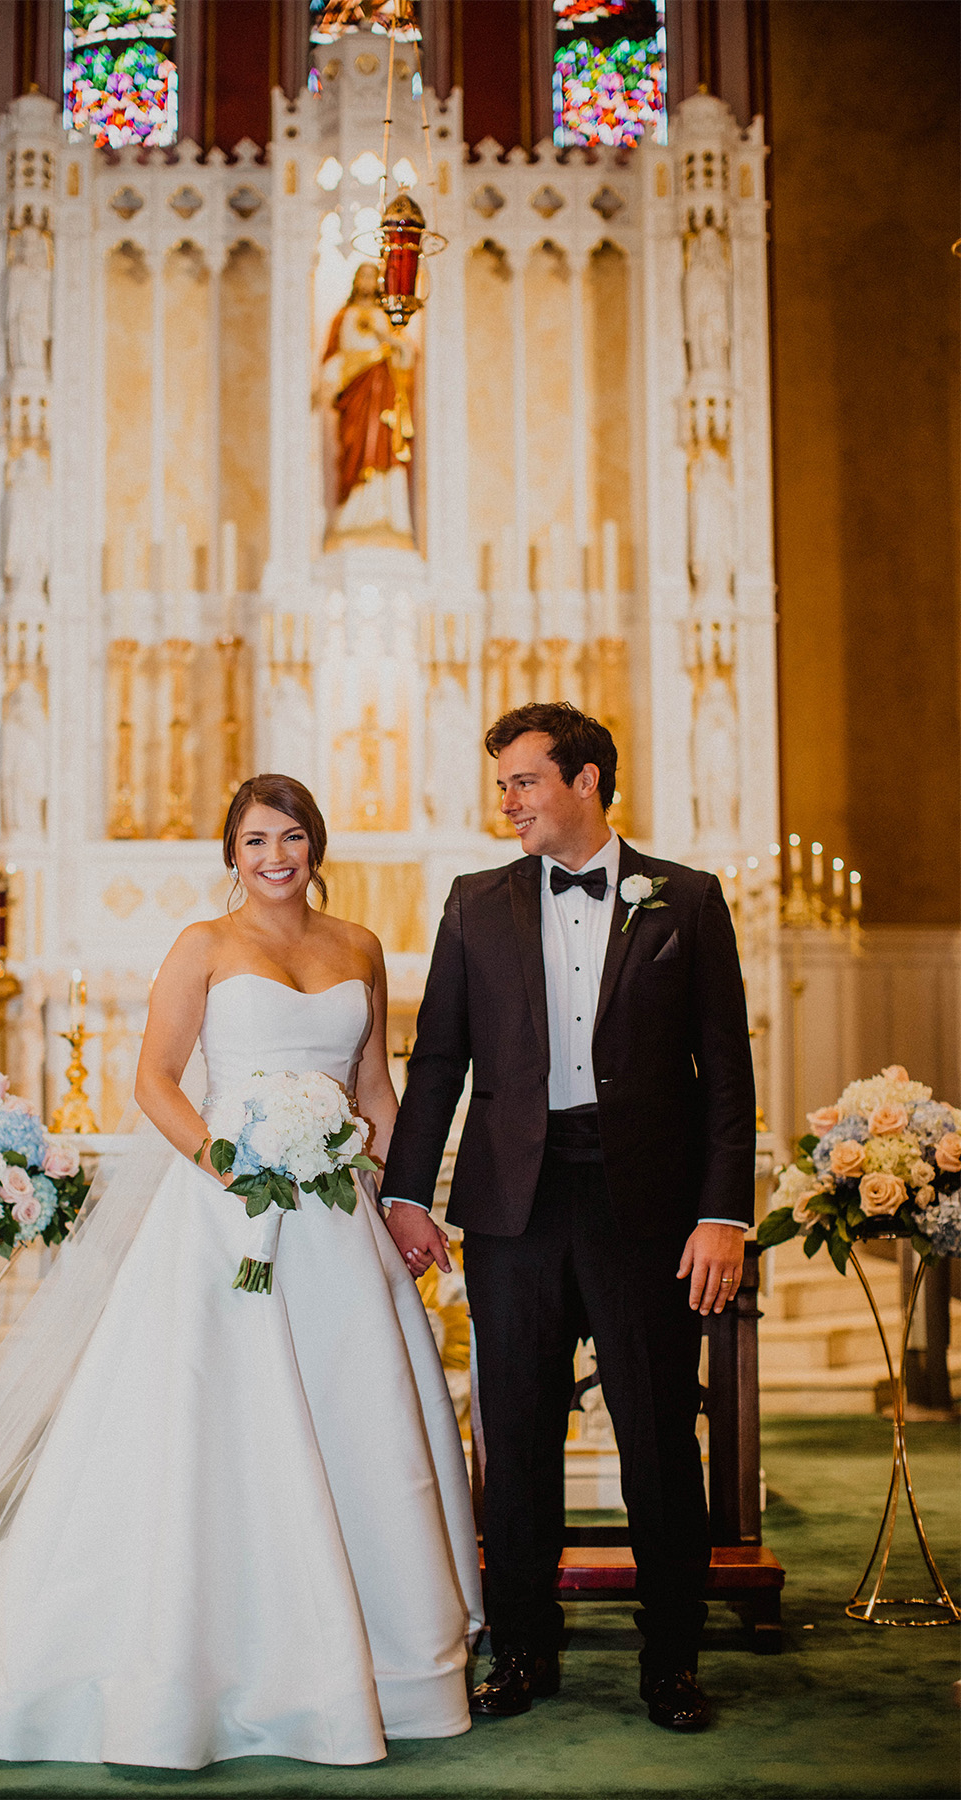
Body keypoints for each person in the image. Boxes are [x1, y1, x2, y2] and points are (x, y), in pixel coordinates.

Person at [0, 773, 480, 1770]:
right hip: (226, 1213)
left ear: (317, 846)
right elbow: (153, 1077)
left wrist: (410, 1203)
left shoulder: (356, 946)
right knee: (214, 1425)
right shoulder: (203, 946)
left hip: (336, 1222)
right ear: (231, 853)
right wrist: (226, 1162)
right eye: (257, 839)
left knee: (356, 1416)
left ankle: (384, 1656)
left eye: (293, 837)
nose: (277, 855)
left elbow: (371, 1087)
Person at [382, 703, 755, 1732]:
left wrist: (723, 1214)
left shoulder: (686, 899)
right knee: (518, 1435)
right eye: (502, 783)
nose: (506, 801)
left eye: (524, 781)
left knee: (657, 1440)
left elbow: (726, 1075)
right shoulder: (474, 903)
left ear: (586, 780)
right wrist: (407, 1195)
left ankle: (672, 1658)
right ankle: (522, 1649)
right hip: (513, 1205)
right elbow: (439, 1064)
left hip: (647, 1204)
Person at [321, 262, 415, 548]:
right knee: (355, 449)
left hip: (382, 390)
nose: (366, 281)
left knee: (383, 447)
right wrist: (342, 373)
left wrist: (382, 337)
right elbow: (330, 360)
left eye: (372, 277)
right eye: (362, 276)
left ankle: (386, 515)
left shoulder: (387, 317)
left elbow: (407, 356)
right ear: (355, 281)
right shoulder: (343, 317)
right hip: (355, 395)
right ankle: (351, 515)